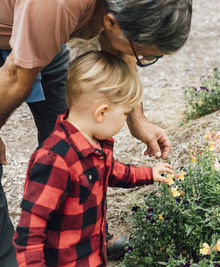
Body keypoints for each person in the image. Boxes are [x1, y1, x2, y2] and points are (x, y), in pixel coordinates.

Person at [0, 0, 192, 265]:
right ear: (111, 21)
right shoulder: (56, 6)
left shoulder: (86, 146)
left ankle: (81, 235)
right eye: (144, 55)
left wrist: (137, 121)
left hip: (41, 28)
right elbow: (14, 76)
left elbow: (106, 169)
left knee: (76, 147)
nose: (143, 61)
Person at [13, 51, 174, 266]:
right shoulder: (55, 159)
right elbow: (30, 231)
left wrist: (149, 174)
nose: (124, 121)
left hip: (91, 256)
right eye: (125, 114)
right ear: (101, 113)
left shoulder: (94, 144)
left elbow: (111, 171)